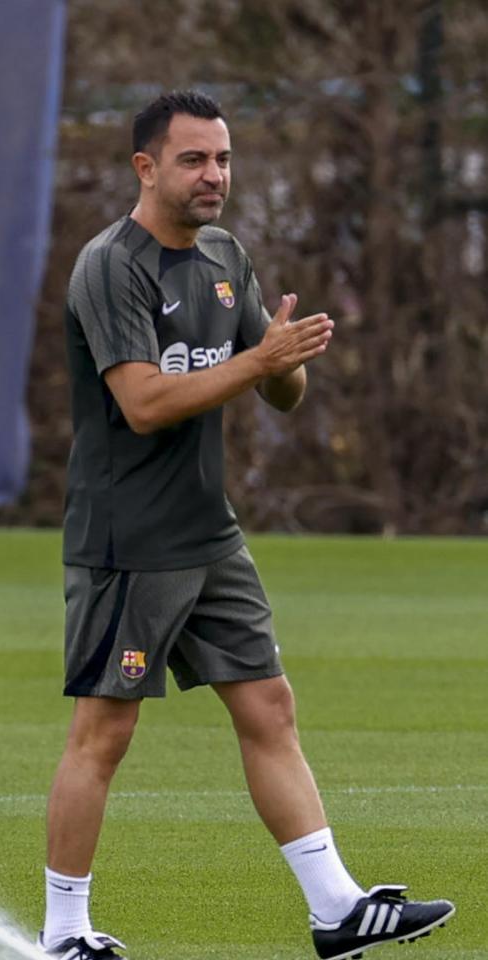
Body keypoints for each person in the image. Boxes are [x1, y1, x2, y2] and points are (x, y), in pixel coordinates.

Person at [40, 89, 456, 960]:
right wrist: (255, 360)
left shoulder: (226, 253)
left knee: (269, 705)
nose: (215, 176)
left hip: (207, 533)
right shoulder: (110, 267)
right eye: (194, 159)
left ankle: (335, 909)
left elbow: (278, 391)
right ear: (145, 167)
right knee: (104, 732)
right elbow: (145, 403)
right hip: (129, 540)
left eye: (223, 158)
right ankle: (64, 935)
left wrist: (282, 360)